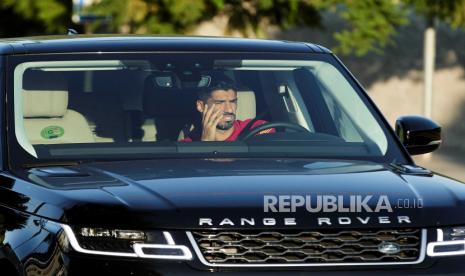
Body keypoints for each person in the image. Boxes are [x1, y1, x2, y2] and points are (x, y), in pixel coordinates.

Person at [180, 81, 274, 142]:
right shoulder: (188, 145)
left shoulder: (257, 128)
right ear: (201, 106)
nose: (229, 109)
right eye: (220, 102)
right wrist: (206, 144)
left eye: (233, 101)